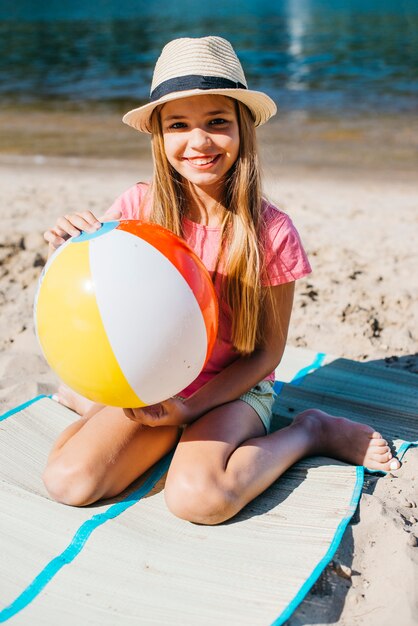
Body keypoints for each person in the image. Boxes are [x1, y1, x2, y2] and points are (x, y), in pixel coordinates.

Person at [42, 36, 400, 523]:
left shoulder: (272, 233)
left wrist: (189, 410)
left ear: (242, 128)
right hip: (151, 382)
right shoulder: (136, 209)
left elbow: (267, 354)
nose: (199, 141)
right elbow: (97, 298)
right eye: (178, 125)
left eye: (216, 123)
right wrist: (65, 248)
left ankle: (309, 431)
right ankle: (125, 419)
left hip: (234, 386)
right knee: (68, 482)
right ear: (160, 137)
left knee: (199, 499)